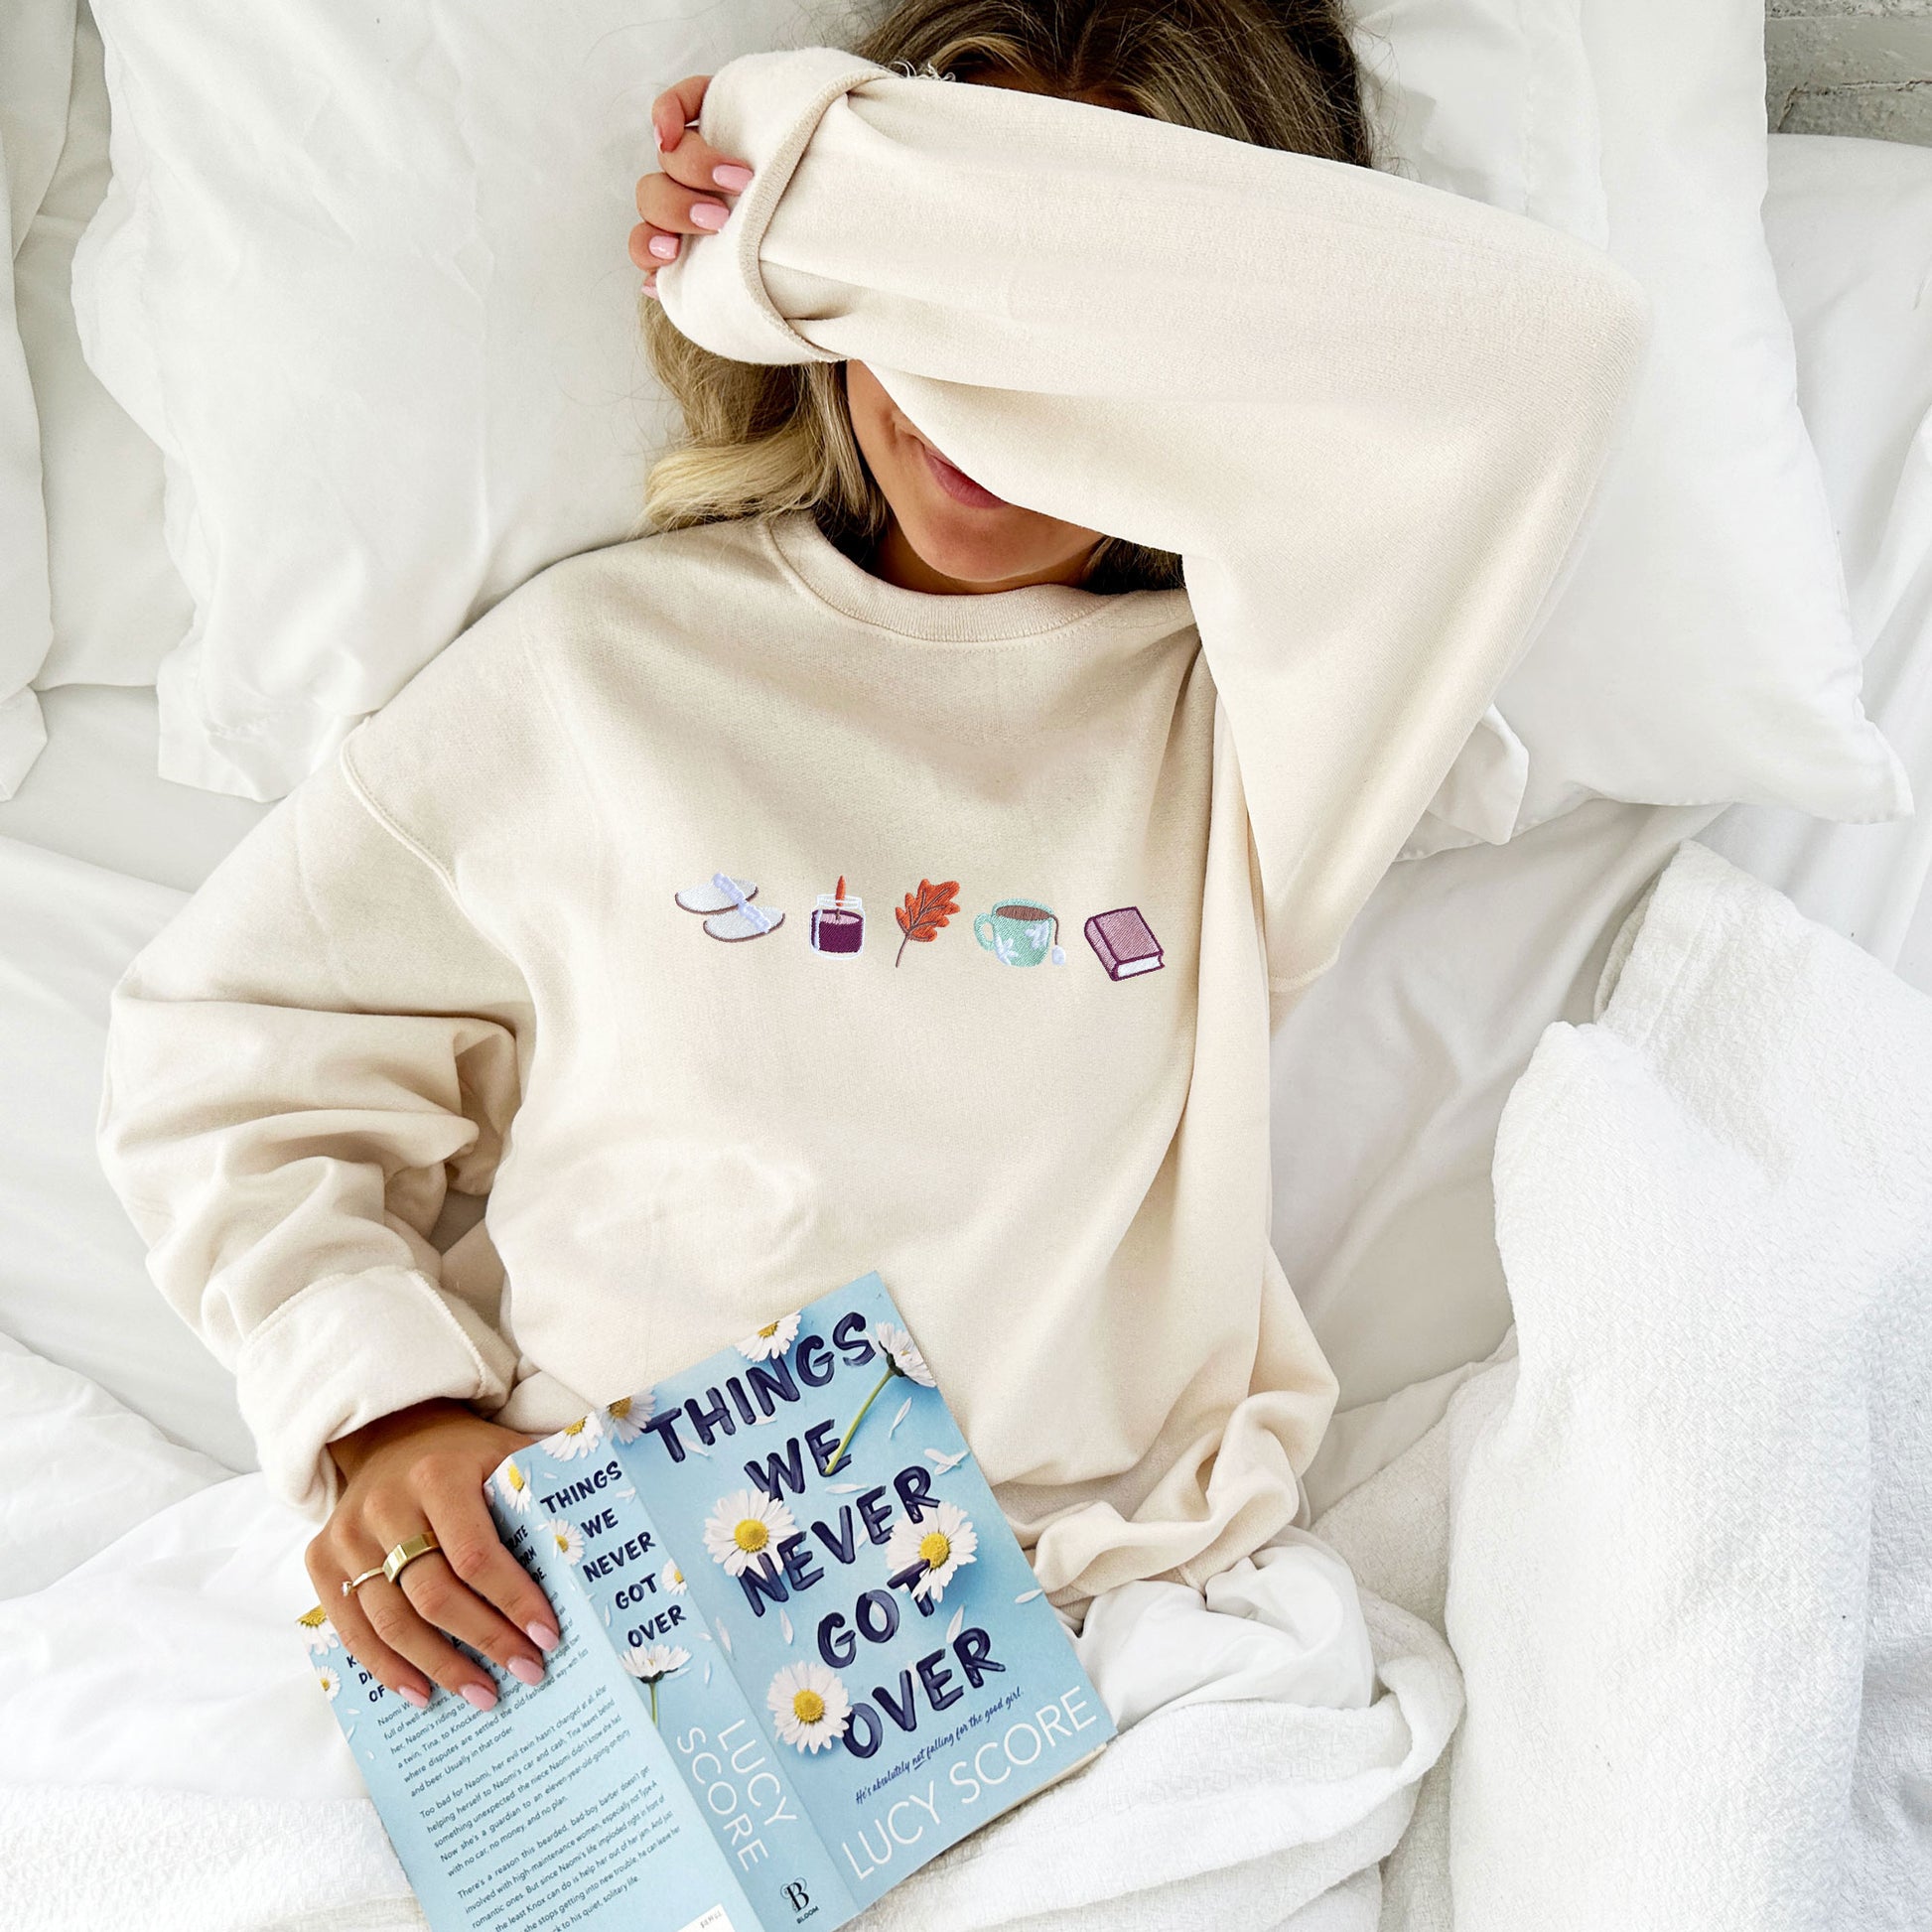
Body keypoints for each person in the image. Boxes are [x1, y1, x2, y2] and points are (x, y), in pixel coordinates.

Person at [96, 0, 1646, 1724]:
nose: (987, 404)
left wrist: (809, 175)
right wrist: (382, 1407)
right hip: (585, 1616)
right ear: (825, 326)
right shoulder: (595, 671)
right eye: (931, 318)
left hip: (1080, 1632)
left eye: (1072, 339)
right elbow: (224, 1053)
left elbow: (1554, 347)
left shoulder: (1257, 722)